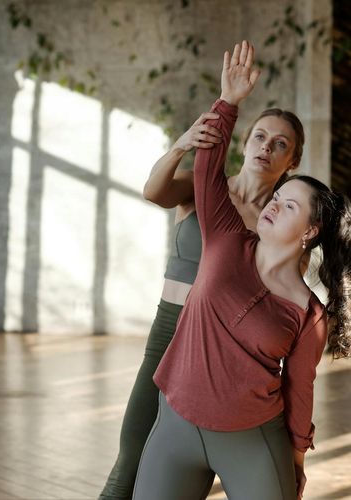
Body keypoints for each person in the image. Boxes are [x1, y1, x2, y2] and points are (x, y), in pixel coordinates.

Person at [132, 41, 351, 500]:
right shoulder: (227, 238)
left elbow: (300, 387)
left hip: (252, 436)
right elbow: (204, 173)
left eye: (289, 205)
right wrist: (227, 103)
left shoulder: (309, 312)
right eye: (275, 201)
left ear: (310, 230)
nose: (274, 207)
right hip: (176, 417)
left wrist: (296, 459)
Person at [100, 51, 307, 500]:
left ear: (291, 161)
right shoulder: (210, 191)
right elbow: (154, 191)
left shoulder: (279, 224)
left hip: (221, 345)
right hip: (169, 328)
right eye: (260, 137)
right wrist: (182, 145)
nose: (265, 148)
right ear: (245, 141)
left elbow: (285, 304)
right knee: (129, 459)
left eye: (280, 144)